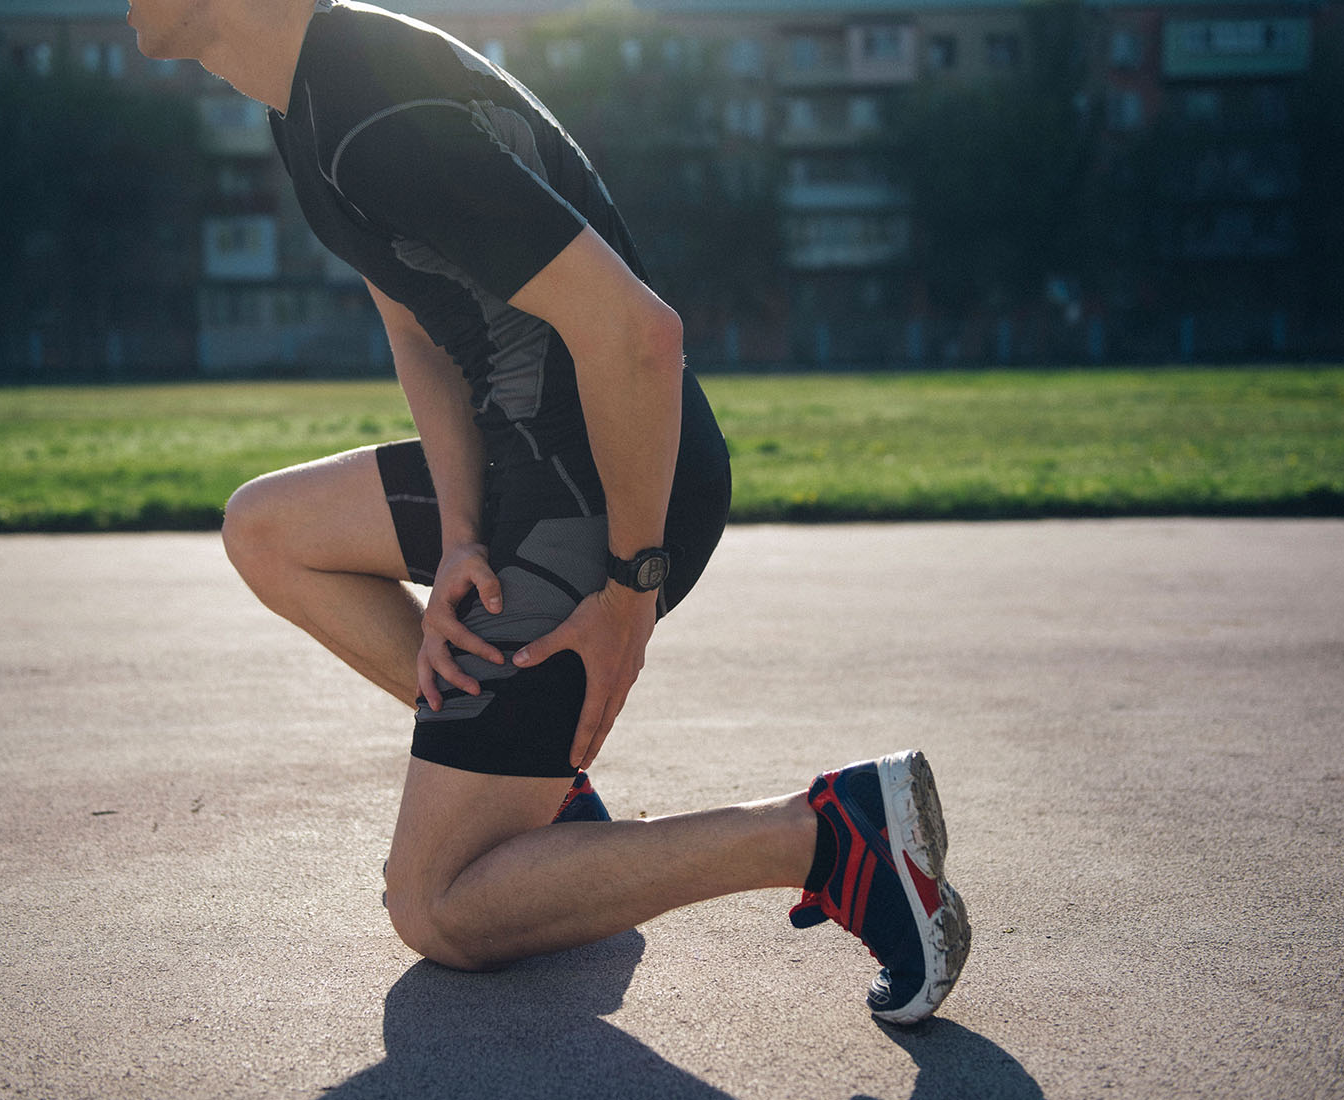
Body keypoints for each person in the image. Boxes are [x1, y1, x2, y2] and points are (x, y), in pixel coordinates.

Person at [126, 0, 969, 1025]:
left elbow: (640, 335)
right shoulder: (305, 99)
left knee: (436, 906)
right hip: (521, 467)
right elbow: (417, 324)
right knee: (268, 529)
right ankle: (542, 795)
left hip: (606, 487)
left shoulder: (371, 112)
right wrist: (462, 538)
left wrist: (628, 587)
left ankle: (830, 834)